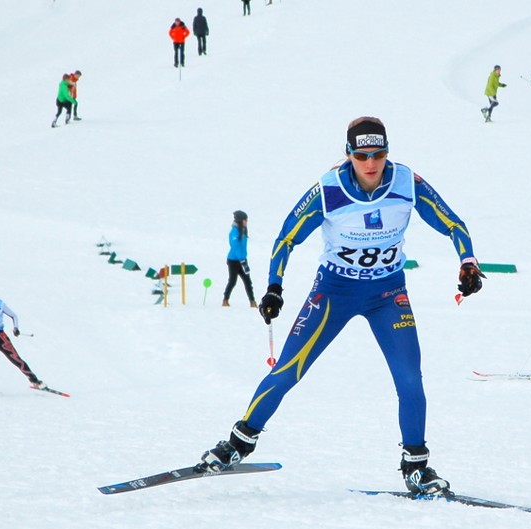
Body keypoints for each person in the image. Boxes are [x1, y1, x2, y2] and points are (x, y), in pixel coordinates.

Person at [197, 116, 484, 497]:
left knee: (410, 381)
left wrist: (468, 262)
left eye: (379, 154)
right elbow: (286, 239)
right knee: (287, 371)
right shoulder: (328, 190)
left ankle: (417, 466)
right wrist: (274, 289)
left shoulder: (406, 183)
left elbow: (453, 223)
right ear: (348, 154)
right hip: (335, 292)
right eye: (362, 155)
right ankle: (238, 443)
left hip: (388, 294)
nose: (371, 164)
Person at [223, 210, 257, 308]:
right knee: (232, 281)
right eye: (245, 220)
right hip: (234, 260)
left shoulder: (243, 230)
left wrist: (244, 260)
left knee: (248, 281)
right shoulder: (234, 232)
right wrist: (242, 260)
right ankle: (225, 300)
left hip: (242, 260)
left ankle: (252, 301)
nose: (246, 221)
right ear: (240, 220)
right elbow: (236, 246)